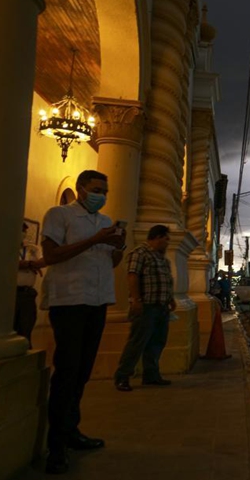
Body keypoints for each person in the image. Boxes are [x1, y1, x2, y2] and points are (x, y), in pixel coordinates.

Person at [41, 170, 126, 474]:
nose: (100, 195)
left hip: (98, 300)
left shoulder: (105, 222)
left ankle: (71, 430)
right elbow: (50, 255)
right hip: (69, 301)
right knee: (67, 371)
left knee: (83, 373)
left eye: (104, 190)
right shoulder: (59, 214)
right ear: (80, 189)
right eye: (95, 189)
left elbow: (109, 261)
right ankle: (56, 446)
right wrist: (95, 239)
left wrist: (117, 247)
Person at [114, 225, 176, 392]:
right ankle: (123, 376)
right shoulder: (140, 253)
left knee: (156, 343)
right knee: (137, 342)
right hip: (146, 306)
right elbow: (132, 275)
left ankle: (151, 375)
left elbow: (166, 281)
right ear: (156, 237)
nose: (167, 242)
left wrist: (170, 299)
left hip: (161, 307)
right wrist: (136, 300)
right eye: (165, 239)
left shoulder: (163, 259)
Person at [16, 222, 45, 348]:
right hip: (9, 294)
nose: (23, 233)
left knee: (26, 330)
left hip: (27, 294)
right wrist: (29, 265)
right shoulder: (3, 248)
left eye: (24, 230)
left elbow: (41, 262)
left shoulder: (32, 249)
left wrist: (28, 264)